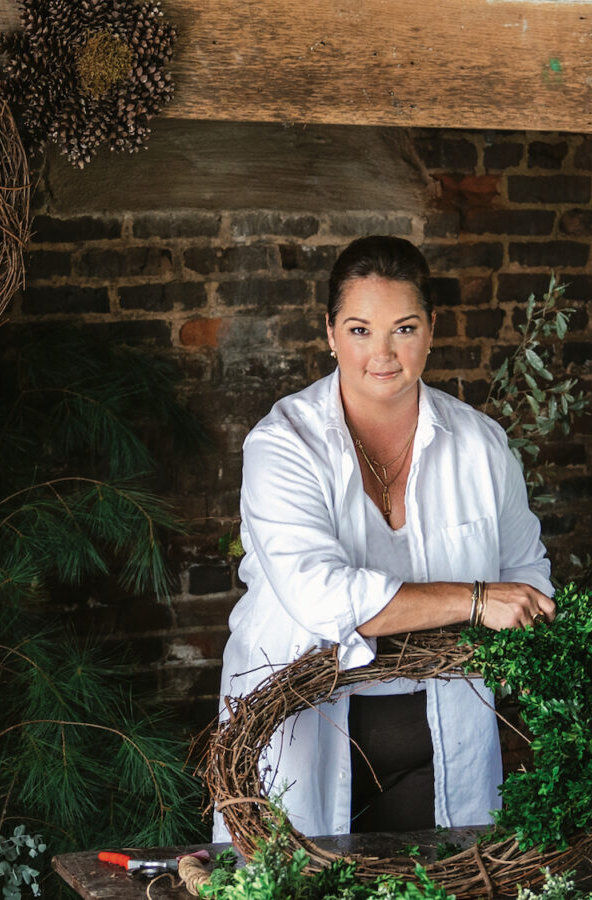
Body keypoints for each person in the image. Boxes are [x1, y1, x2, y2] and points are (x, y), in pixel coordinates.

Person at [213, 235, 556, 842]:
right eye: (359, 329)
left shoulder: (480, 445)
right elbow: (320, 597)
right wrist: (475, 599)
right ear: (329, 332)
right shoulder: (283, 444)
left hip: (441, 740)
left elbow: (527, 577)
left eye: (403, 328)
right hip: (301, 736)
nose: (383, 353)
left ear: (431, 329)